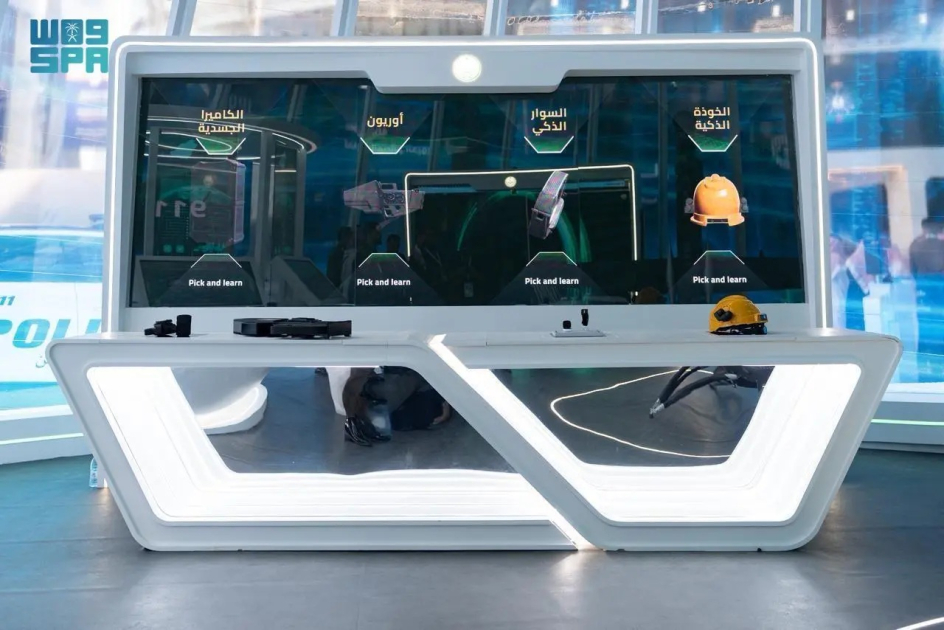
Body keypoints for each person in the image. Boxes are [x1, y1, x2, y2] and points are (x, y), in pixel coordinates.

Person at [909, 217, 944, 380]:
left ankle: (923, 372)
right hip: (939, 293)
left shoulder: (915, 245)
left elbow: (912, 272)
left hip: (922, 293)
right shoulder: (941, 245)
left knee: (924, 334)